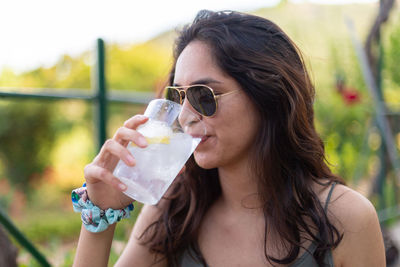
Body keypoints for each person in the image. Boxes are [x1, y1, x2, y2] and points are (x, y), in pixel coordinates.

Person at [72, 10, 386, 267]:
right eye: (180, 96)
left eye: (204, 95)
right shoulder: (176, 211)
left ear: (267, 95)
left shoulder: (347, 218)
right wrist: (101, 214)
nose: (185, 116)